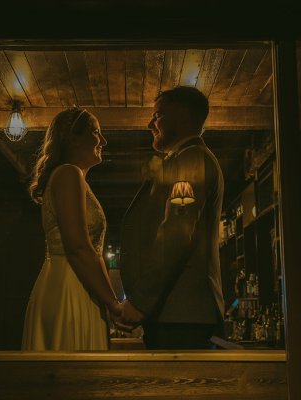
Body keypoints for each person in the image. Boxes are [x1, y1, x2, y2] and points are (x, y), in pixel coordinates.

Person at [119, 86, 225, 349]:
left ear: (183, 116)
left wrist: (141, 300)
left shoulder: (190, 160)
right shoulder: (185, 159)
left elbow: (177, 233)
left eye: (158, 116)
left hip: (181, 313)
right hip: (175, 311)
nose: (150, 124)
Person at [22, 107, 125, 351]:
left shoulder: (72, 177)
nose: (103, 140)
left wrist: (107, 298)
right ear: (73, 137)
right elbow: (78, 247)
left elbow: (91, 250)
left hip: (76, 281)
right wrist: (114, 304)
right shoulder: (68, 174)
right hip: (70, 285)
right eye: (96, 132)